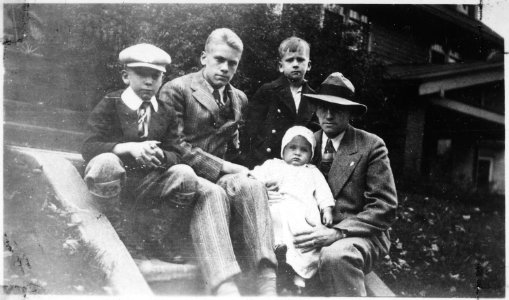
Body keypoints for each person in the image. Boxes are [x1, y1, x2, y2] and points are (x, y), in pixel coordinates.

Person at [159, 28, 277, 296]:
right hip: (181, 176)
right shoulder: (177, 89)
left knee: (252, 186)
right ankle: (224, 285)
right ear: (204, 57)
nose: (225, 68)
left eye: (232, 63)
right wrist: (225, 167)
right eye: (219, 59)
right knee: (212, 193)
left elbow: (235, 152)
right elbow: (175, 146)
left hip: (217, 175)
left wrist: (245, 172)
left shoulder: (239, 98)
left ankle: (266, 279)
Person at [81, 43, 200, 262]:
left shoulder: (166, 111)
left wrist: (160, 155)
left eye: (155, 76)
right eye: (142, 74)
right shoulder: (112, 102)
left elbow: (177, 152)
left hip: (149, 183)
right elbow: (89, 145)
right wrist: (129, 148)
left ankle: (154, 237)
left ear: (162, 79)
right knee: (105, 160)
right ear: (126, 76)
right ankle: (116, 230)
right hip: (115, 180)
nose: (148, 81)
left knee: (185, 174)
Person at [294, 72, 398, 296]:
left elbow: (384, 207)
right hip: (313, 229)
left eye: (337, 108)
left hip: (359, 234)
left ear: (350, 112)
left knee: (335, 256)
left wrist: (339, 232)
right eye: (323, 107)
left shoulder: (371, 146)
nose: (328, 115)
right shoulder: (305, 143)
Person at [249, 126, 335, 294]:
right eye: (292, 148)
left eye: (304, 150)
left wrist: (327, 209)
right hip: (279, 207)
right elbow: (254, 175)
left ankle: (299, 276)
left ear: (311, 155)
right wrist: (260, 184)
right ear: (283, 150)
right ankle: (277, 259)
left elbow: (323, 192)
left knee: (304, 235)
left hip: (303, 213)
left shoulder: (312, 171)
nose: (297, 153)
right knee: (273, 219)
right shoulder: (274, 165)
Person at [244, 36, 316, 168]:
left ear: (309, 65)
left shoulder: (313, 98)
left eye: (300, 60)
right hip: (265, 161)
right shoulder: (268, 91)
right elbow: (250, 130)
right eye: (289, 60)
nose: (295, 64)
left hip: (297, 163)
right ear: (281, 66)